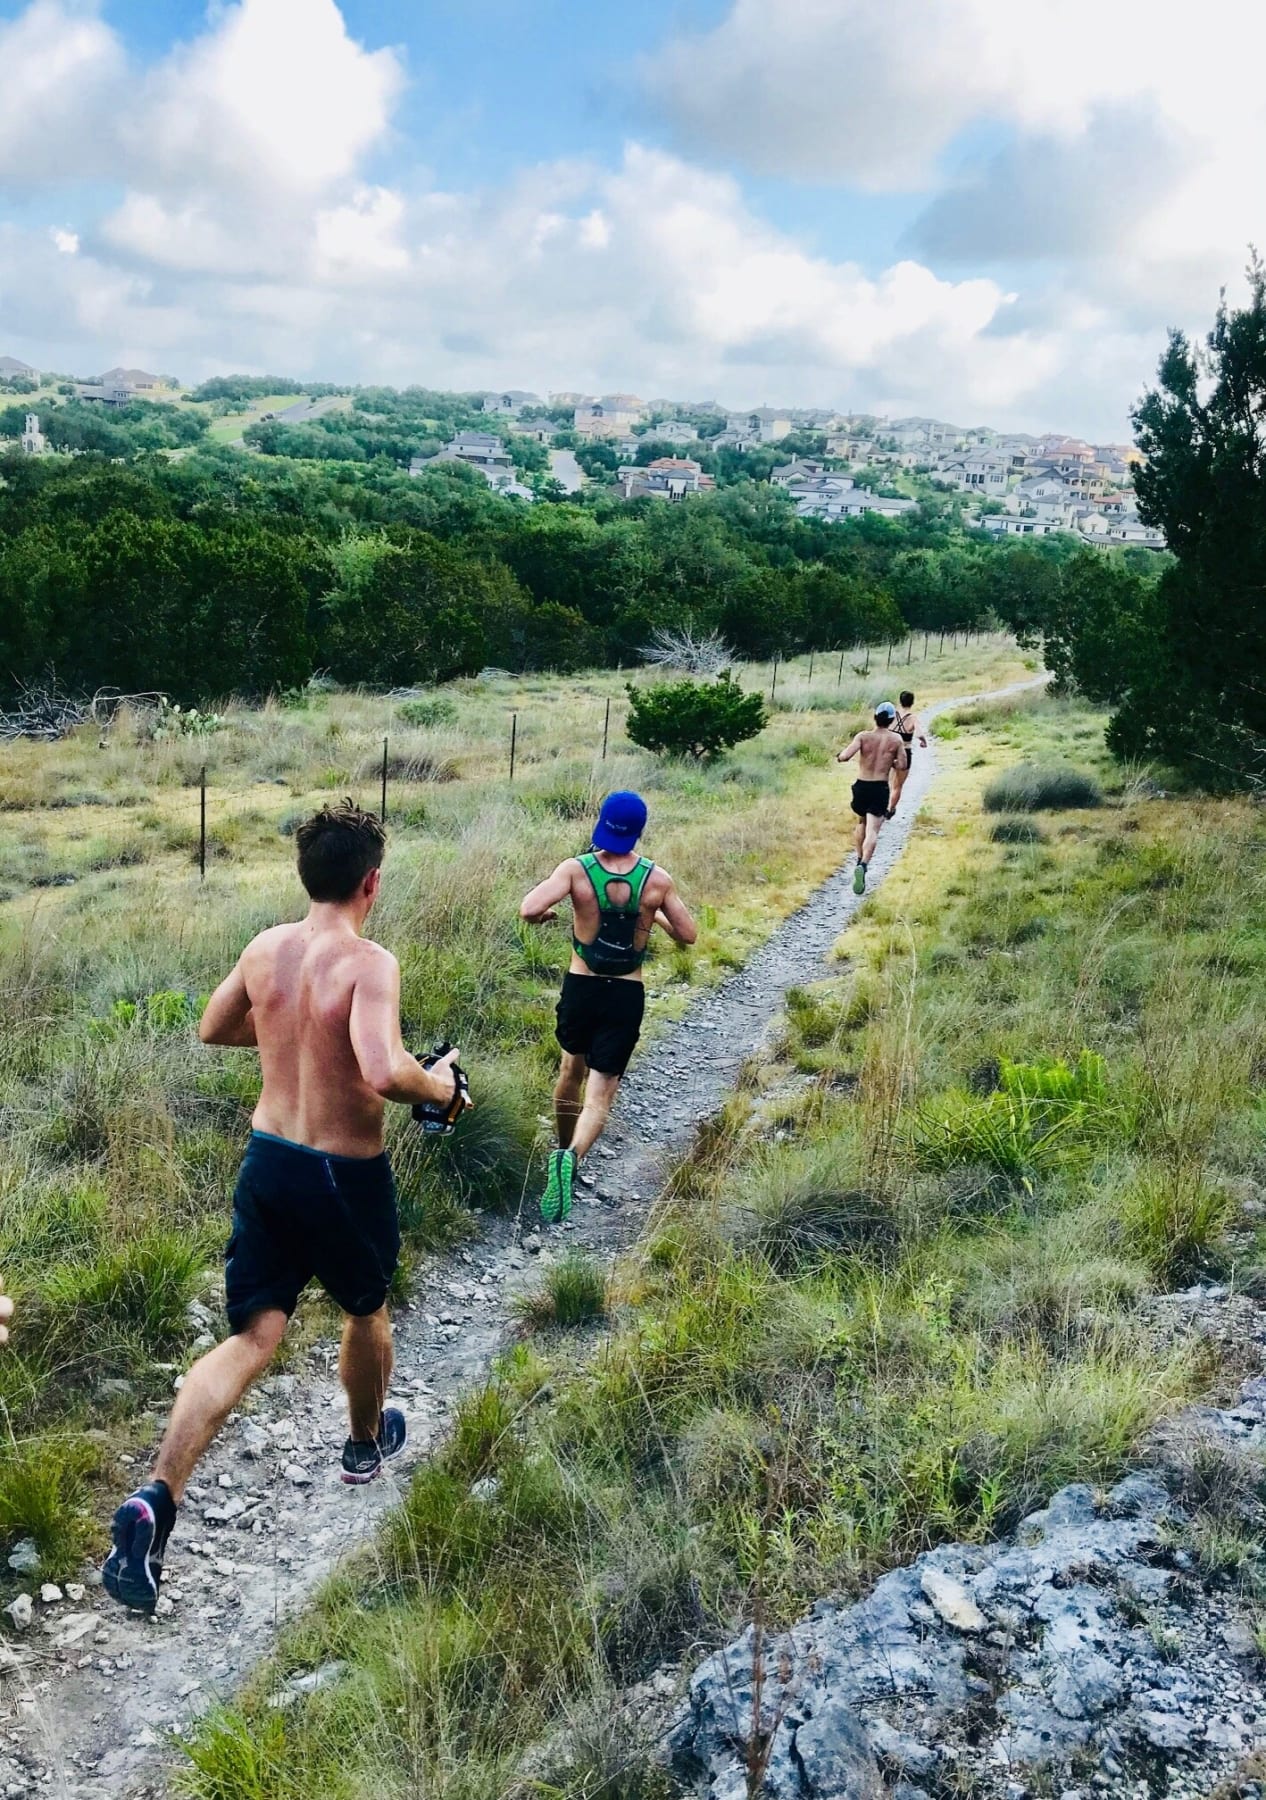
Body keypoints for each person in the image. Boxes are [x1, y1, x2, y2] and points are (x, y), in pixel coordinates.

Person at [103, 801, 468, 1615]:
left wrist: (286, 1037)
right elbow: (381, 1069)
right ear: (370, 882)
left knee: (252, 1335)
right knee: (367, 1307)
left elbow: (211, 1026)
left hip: (267, 1162)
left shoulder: (266, 948)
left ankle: (155, 1500)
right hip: (343, 1176)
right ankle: (364, 1446)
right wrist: (441, 1086)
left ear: (309, 877)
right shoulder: (370, 962)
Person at [520, 791, 697, 1223]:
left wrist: (544, 919)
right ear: (639, 830)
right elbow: (688, 934)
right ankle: (572, 1162)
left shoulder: (575, 870)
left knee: (569, 1073)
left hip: (581, 986)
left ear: (602, 824)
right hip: (624, 993)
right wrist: (651, 915)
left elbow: (529, 908)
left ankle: (561, 1150)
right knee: (600, 1094)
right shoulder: (657, 880)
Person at [836, 703, 908, 894]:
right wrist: (890, 761)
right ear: (892, 720)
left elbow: (845, 756)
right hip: (879, 787)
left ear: (875, 717)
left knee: (861, 822)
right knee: (873, 829)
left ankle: (859, 858)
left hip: (862, 785)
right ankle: (865, 865)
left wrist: (839, 756)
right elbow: (902, 765)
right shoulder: (896, 739)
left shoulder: (863, 736)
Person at [888, 690, 927, 818]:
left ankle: (879, 805)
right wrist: (923, 741)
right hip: (904, 753)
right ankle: (890, 808)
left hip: (889, 751)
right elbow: (919, 733)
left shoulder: (892, 714)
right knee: (898, 785)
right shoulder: (913, 718)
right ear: (912, 702)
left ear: (900, 701)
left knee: (886, 781)